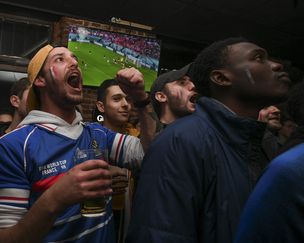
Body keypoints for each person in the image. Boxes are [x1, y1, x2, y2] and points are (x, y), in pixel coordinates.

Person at [126, 37, 290, 243]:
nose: (277, 64)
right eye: (258, 58)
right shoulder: (180, 141)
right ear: (221, 78)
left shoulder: (262, 141)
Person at [0, 44, 155, 242]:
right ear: (40, 80)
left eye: (74, 58)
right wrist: (56, 198)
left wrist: (142, 100)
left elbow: (148, 154)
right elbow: (0, 239)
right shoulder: (13, 146)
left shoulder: (97, 133)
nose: (74, 62)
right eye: (60, 59)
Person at [234, 81, 304, 243]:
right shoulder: (289, 165)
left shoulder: (280, 146)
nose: (275, 111)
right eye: (266, 107)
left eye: (277, 107)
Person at [94, 79, 142, 243]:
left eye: (128, 99)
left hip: (133, 218)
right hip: (99, 217)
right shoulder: (90, 138)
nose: (125, 104)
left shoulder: (139, 140)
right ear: (101, 107)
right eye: (117, 99)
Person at [149, 63, 197, 133]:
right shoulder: (152, 139)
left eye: (192, 82)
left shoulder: (199, 133)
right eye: (182, 83)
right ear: (161, 96)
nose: (193, 86)